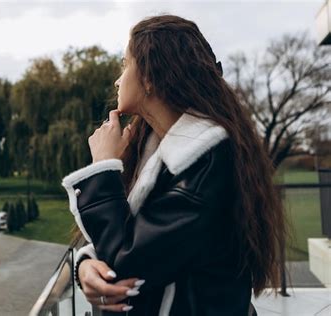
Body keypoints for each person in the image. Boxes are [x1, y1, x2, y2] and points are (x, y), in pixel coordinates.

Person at [60, 14, 286, 316]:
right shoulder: (160, 150)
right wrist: (87, 264)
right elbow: (150, 238)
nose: (118, 79)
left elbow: (128, 260)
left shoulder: (206, 162)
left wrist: (103, 167)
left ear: (150, 78)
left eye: (126, 65)